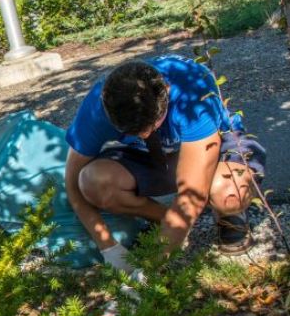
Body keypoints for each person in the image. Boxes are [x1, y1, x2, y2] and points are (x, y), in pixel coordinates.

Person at [65, 55, 266, 278]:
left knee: (227, 194)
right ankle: (166, 219)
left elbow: (193, 193)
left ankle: (229, 215)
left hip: (214, 148)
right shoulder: (98, 105)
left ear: (167, 92)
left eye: (151, 125)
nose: (142, 134)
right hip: (152, 155)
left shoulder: (192, 93)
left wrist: (149, 271)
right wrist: (108, 247)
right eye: (132, 131)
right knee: (92, 181)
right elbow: (72, 184)